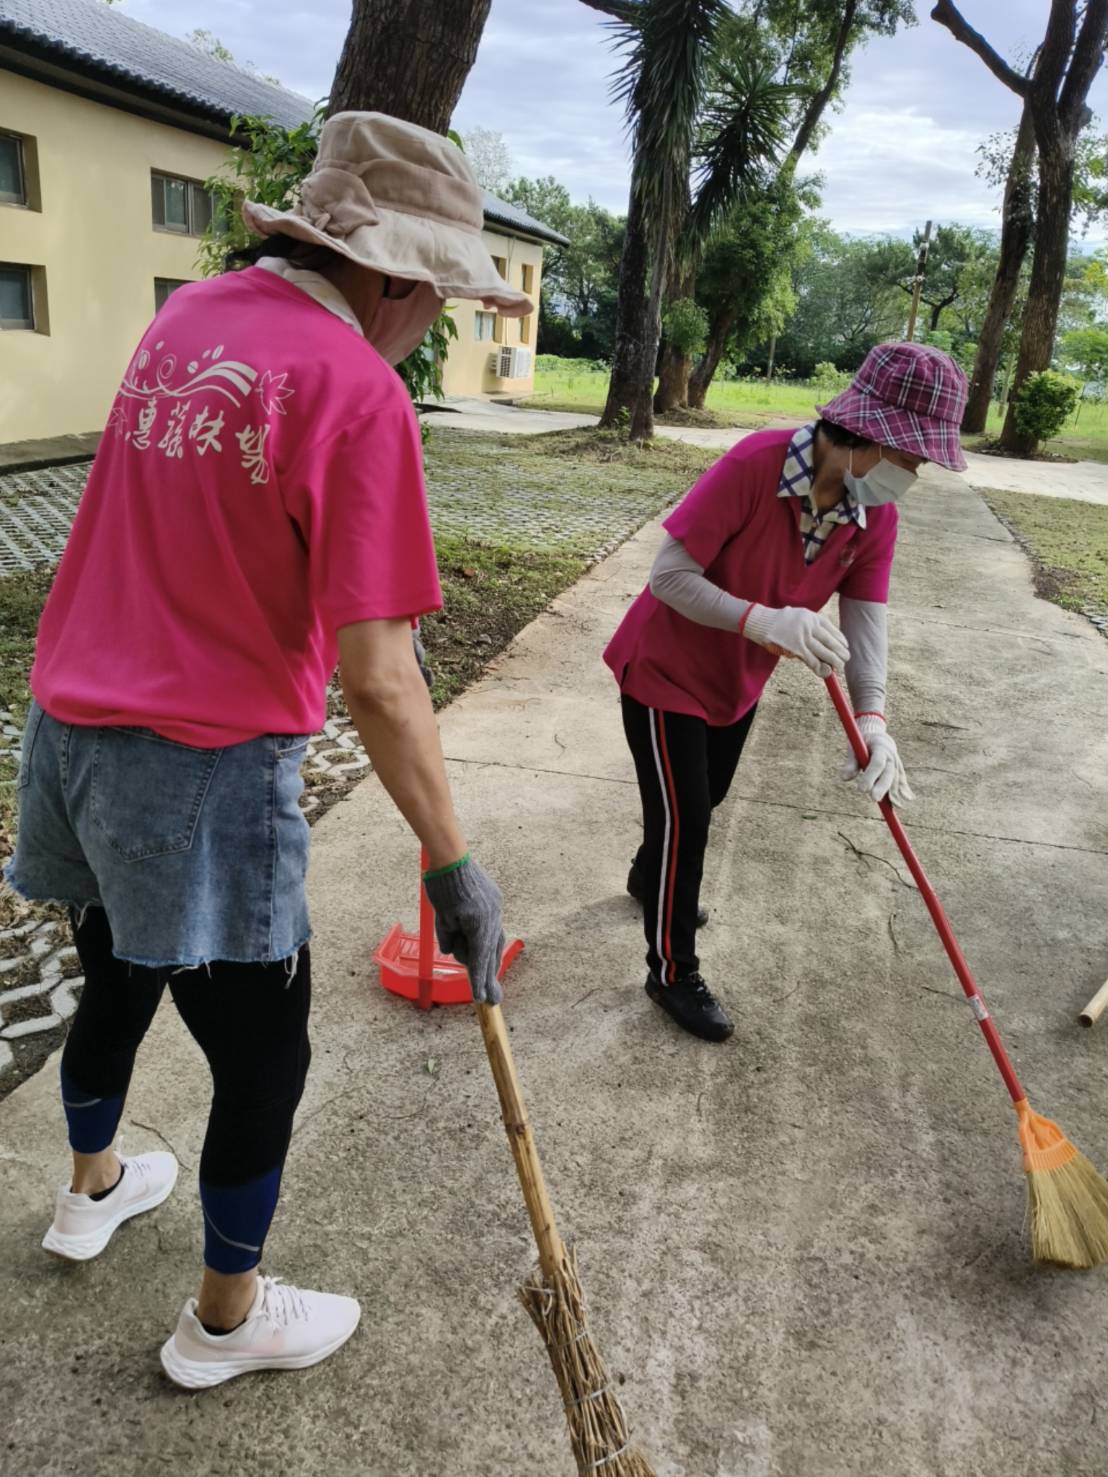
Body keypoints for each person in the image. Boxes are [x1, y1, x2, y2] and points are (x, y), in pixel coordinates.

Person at [4, 112, 531, 1388]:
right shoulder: (357, 388)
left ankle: (92, 1193)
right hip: (198, 760)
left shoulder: (188, 319)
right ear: (398, 274)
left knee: (116, 973)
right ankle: (225, 1322)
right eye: (440, 298)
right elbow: (382, 677)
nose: (432, 324)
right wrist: (454, 864)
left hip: (70, 728)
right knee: (263, 1052)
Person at [604, 342, 968, 1043]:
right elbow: (668, 578)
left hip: (736, 682)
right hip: (662, 671)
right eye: (913, 459)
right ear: (871, 438)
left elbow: (867, 629)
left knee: (700, 799)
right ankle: (671, 972)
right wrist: (765, 619)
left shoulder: (874, 519)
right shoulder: (753, 465)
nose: (913, 476)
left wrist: (875, 721)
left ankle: (650, 877)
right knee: (687, 822)